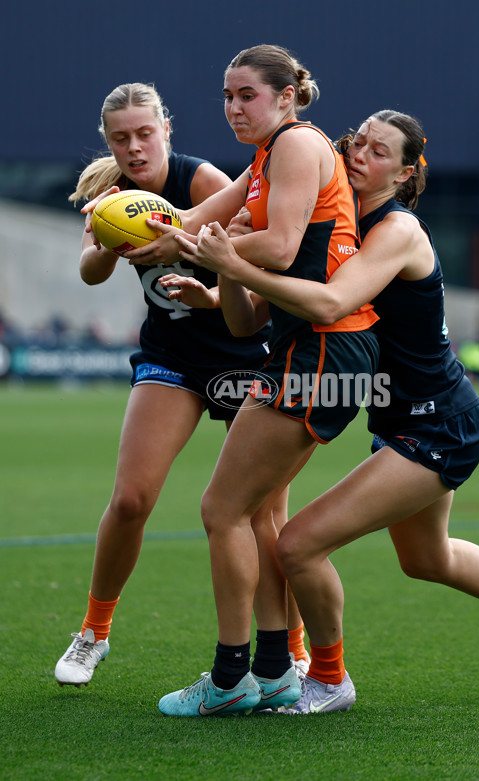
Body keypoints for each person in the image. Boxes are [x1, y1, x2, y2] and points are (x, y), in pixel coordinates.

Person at [164, 110, 479, 713]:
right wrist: (223, 286)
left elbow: (331, 301)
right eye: (358, 142)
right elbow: (253, 315)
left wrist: (231, 259)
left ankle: (329, 678)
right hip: (398, 419)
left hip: (439, 421)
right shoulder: (334, 219)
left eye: (379, 151)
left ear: (406, 172)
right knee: (427, 558)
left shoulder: (397, 231)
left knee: (298, 545)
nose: (359, 154)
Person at [140, 44, 380, 717]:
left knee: (222, 510)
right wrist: (191, 267)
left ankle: (230, 679)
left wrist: (200, 247)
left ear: (286, 96)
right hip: (306, 348)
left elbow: (278, 246)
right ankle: (274, 671)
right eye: (226, 95)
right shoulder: (265, 160)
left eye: (246, 94)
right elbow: (239, 306)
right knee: (259, 512)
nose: (233, 107)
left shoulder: (297, 144)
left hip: (327, 350)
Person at [53, 82, 307, 689]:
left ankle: (293, 651)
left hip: (245, 355)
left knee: (265, 517)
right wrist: (109, 236)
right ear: (108, 141)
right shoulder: (110, 194)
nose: (135, 147)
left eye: (145, 133)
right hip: (172, 357)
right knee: (131, 498)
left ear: (166, 129)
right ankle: (93, 632)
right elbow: (89, 273)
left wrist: (194, 256)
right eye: (121, 138)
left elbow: (260, 259)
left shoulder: (202, 182)